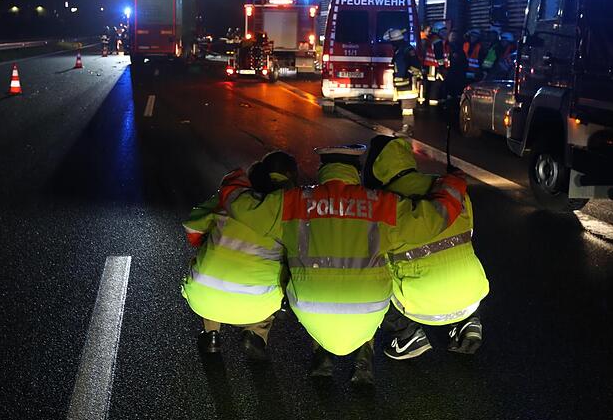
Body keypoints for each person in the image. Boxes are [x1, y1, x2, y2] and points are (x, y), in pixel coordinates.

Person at [215, 145, 468, 386]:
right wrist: (454, 182)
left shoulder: (292, 201)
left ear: (322, 171)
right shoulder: (382, 203)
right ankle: (364, 361)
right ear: (355, 172)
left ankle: (321, 356)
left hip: (310, 308)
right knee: (379, 267)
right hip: (370, 309)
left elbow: (240, 204)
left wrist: (234, 176)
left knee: (301, 271)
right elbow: (435, 217)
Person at [363, 135, 489, 359]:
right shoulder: (451, 189)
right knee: (459, 250)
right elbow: (469, 232)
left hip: (419, 306)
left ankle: (406, 335)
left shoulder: (381, 205)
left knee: (370, 272)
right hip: (472, 296)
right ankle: (469, 323)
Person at [182, 151, 299, 360]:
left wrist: (210, 240)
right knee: (280, 272)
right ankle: (256, 333)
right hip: (258, 304)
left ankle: (211, 335)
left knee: (208, 262)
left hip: (204, 298)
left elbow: (192, 228)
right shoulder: (291, 213)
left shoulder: (231, 203)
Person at [387, 27, 416, 92]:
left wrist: (408, 73)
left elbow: (414, 63)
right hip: (401, 83)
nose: (391, 43)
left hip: (405, 83)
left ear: (396, 40)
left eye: (392, 41)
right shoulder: (400, 49)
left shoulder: (407, 49)